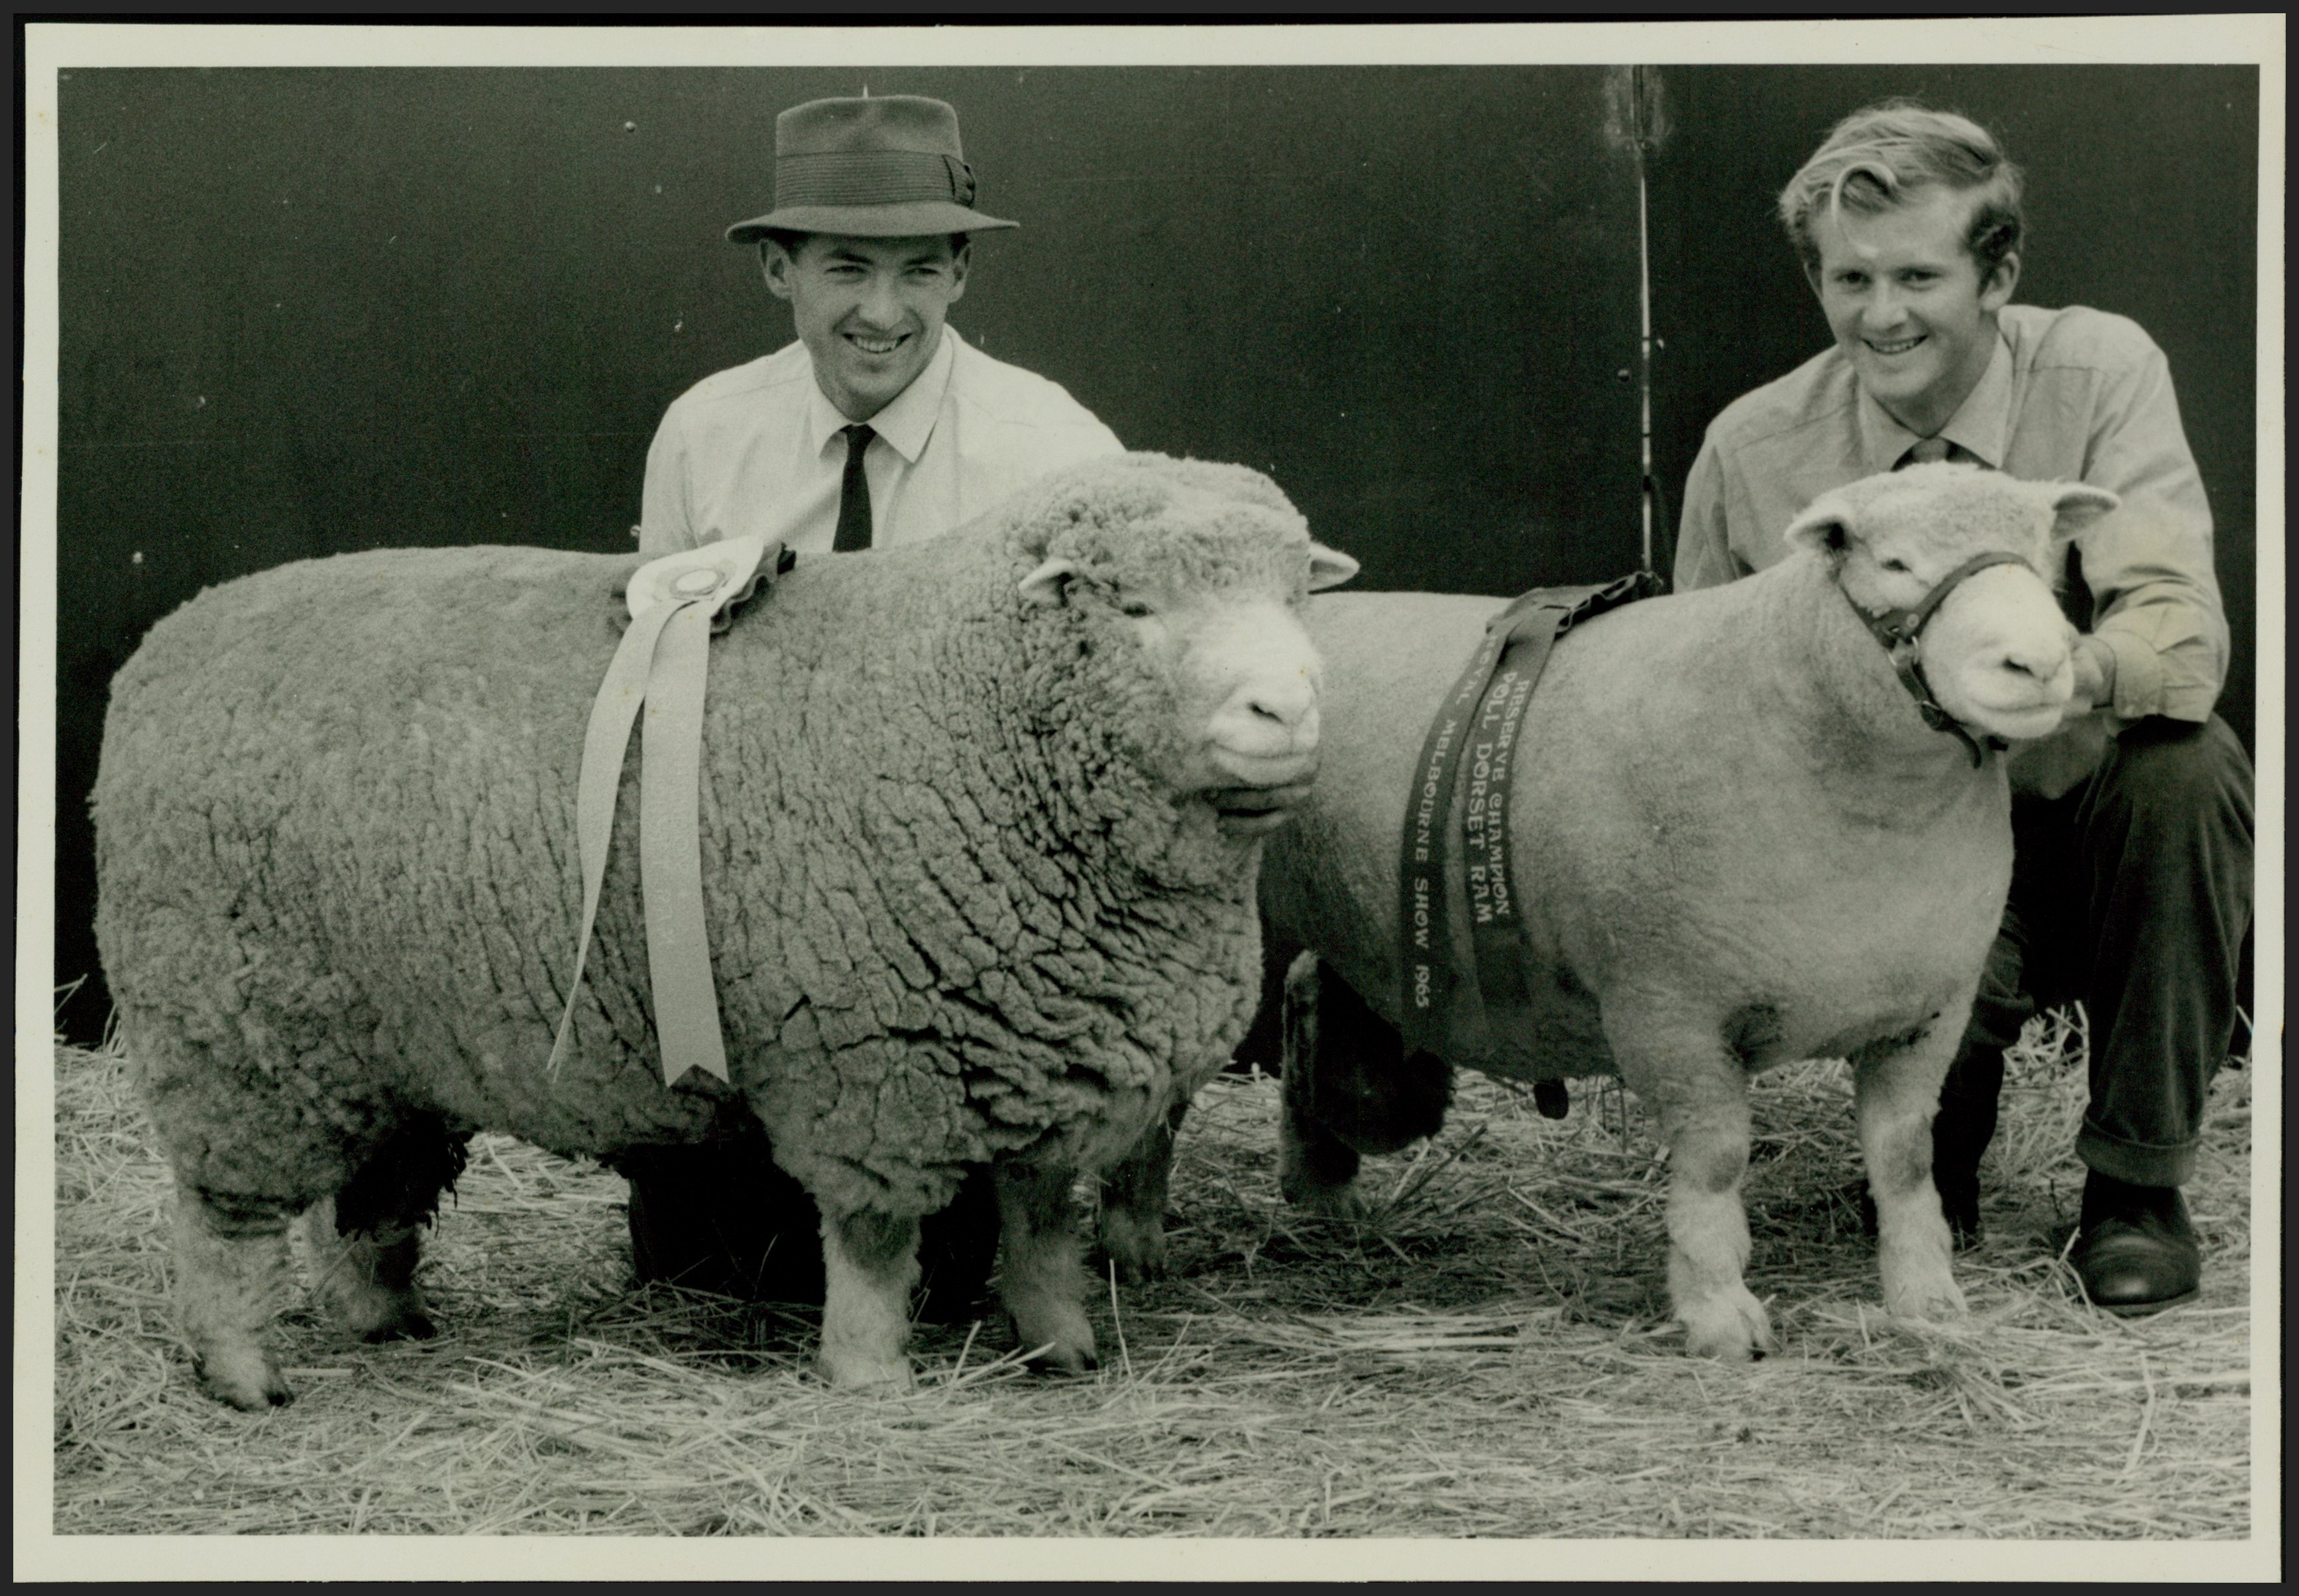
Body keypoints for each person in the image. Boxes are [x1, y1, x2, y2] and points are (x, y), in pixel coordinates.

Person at [1674, 102, 2253, 1317]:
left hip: (2072, 807)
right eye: (1849, 278)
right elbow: (1703, 701)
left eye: (1919, 275)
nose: (1881, 314)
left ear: (1999, 271)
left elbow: (2181, 635)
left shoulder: (2099, 372)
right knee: (1930, 1159)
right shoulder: (1753, 448)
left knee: (2189, 769)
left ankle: (2136, 1187)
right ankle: (1929, 1165)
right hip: (1897, 843)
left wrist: (2060, 675)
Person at [620, 93, 1124, 1315]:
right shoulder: (703, 435)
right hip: (753, 926)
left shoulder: (1058, 455)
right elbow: (649, 686)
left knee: (939, 1283)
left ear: (960, 272)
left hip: (963, 950)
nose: (881, 311)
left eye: (918, 270)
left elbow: (1093, 740)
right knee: (700, 1282)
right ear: (778, 272)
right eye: (845, 267)